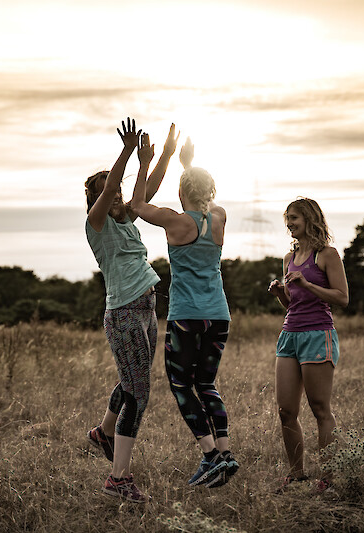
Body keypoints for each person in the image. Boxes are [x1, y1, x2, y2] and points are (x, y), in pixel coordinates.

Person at [130, 137, 238, 489]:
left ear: (181, 192)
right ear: (210, 191)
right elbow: (206, 199)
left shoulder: (174, 221)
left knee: (180, 383)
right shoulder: (219, 217)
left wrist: (145, 163)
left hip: (187, 316)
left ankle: (211, 456)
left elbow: (137, 204)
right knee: (205, 384)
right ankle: (225, 453)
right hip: (218, 314)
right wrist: (188, 166)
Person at [84, 118, 179, 503]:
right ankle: (118, 479)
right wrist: (126, 152)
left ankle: (103, 433)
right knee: (138, 393)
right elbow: (110, 188)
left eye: (119, 192)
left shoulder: (124, 218)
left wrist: (161, 156)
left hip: (145, 308)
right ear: (97, 198)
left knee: (132, 382)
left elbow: (147, 190)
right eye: (110, 192)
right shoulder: (96, 223)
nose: (117, 196)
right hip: (123, 312)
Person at [267, 198, 349, 494]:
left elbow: (342, 298)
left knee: (320, 409)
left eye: (294, 218)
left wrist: (307, 284)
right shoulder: (289, 258)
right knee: (286, 411)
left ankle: (327, 480)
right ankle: (296, 476)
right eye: (287, 218)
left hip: (318, 334)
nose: (289, 223)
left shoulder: (327, 255)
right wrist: (281, 293)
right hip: (290, 335)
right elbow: (292, 303)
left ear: (310, 219)